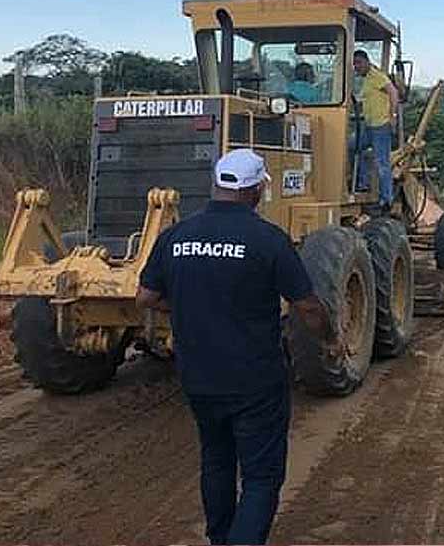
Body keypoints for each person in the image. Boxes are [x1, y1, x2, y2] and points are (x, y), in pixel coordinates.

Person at [136, 148, 339, 546]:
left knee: (216, 461)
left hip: (198, 378)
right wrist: (329, 339)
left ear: (217, 185)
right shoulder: (268, 240)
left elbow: (144, 297)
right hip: (255, 381)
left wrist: (191, 303)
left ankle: (219, 538)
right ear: (256, 191)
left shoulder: (176, 236)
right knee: (261, 475)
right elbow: (308, 307)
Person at [350, 50, 399, 212]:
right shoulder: (365, 81)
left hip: (381, 126)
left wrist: (392, 115)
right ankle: (362, 183)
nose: (356, 67)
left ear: (366, 61)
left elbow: (393, 92)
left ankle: (386, 199)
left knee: (381, 162)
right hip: (368, 126)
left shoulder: (377, 76)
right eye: (354, 64)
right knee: (353, 147)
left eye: (358, 63)